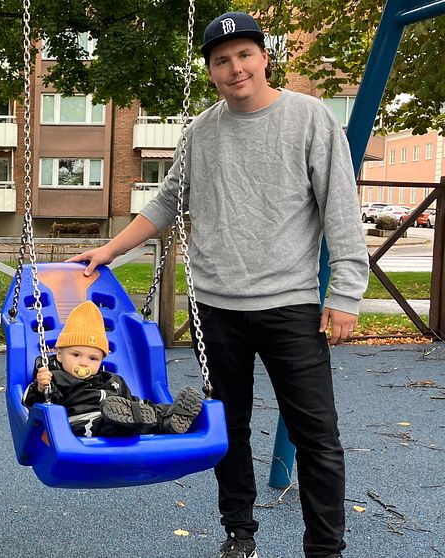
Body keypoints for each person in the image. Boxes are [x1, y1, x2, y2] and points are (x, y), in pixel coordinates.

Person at [69, 11, 368, 558]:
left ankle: (325, 549)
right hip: (215, 309)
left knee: (317, 437)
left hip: (290, 304)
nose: (236, 69)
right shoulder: (200, 131)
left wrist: (346, 291)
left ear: (265, 57)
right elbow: (167, 201)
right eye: (222, 61)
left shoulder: (309, 118)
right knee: (226, 429)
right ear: (211, 71)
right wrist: (111, 248)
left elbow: (340, 209)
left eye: (245, 55)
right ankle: (240, 534)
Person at [22, 300, 203, 436]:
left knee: (145, 409)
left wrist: (144, 408)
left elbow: (132, 401)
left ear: (101, 360)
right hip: (81, 425)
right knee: (114, 422)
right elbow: (32, 403)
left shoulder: (112, 381)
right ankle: (146, 422)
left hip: (118, 414)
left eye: (93, 358)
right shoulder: (55, 377)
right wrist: (40, 387)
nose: (84, 363)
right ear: (59, 354)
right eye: (76, 355)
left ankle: (169, 417)